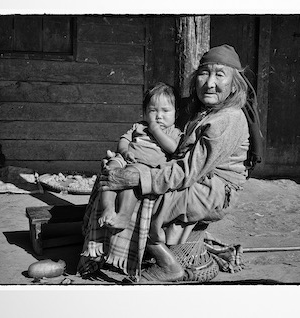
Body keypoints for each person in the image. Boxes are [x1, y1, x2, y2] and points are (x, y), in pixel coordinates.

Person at [78, 44, 259, 283]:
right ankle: (109, 249)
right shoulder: (206, 111)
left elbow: (187, 170)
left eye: (219, 74)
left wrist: (140, 178)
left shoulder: (227, 119)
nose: (210, 82)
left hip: (212, 190)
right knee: (115, 177)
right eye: (204, 73)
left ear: (234, 84)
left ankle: (168, 265)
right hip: (196, 178)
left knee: (139, 195)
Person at [98, 82, 182, 229]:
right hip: (126, 158)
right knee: (110, 171)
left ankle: (124, 215)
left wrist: (156, 130)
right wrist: (124, 152)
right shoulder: (139, 126)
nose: (159, 116)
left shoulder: (174, 132)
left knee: (128, 179)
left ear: (176, 113)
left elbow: (173, 148)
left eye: (165, 111)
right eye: (153, 111)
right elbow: (124, 140)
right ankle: (108, 208)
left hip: (144, 167)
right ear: (145, 112)